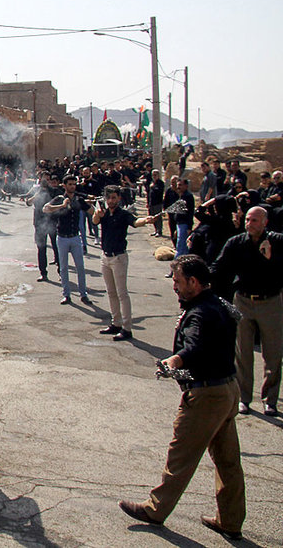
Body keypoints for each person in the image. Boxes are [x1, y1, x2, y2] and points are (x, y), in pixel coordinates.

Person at [118, 255, 245, 541]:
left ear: (194, 282)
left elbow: (195, 346)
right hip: (226, 391)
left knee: (181, 456)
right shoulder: (217, 303)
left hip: (206, 395)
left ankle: (155, 509)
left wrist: (173, 361)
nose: (174, 286)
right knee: (228, 461)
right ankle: (231, 520)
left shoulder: (200, 313)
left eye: (177, 281)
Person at [211, 206, 282, 416]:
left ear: (265, 223)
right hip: (243, 301)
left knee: (273, 354)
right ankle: (244, 398)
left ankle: (270, 400)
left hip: (270, 303)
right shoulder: (236, 242)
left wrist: (272, 258)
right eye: (248, 220)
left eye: (254, 221)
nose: (249, 224)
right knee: (242, 352)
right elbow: (219, 266)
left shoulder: (277, 241)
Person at [92, 186, 157, 341]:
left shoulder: (123, 214)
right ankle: (116, 323)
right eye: (109, 198)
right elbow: (95, 221)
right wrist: (97, 213)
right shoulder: (104, 213)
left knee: (122, 294)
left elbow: (135, 222)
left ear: (119, 198)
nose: (111, 201)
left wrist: (146, 220)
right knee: (111, 292)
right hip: (105, 257)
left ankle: (127, 328)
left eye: (114, 198)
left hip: (119, 258)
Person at [43, 174, 92, 305]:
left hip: (75, 237)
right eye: (70, 184)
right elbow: (46, 208)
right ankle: (66, 294)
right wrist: (61, 206)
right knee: (63, 267)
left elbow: (92, 211)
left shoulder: (78, 200)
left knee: (80, 267)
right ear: (64, 186)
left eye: (74, 184)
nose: (72, 186)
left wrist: (97, 208)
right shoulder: (59, 199)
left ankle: (83, 294)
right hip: (62, 238)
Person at [147, 169, 166, 237]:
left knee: (158, 217)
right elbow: (149, 193)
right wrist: (148, 202)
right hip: (151, 202)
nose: (154, 176)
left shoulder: (160, 183)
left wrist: (153, 187)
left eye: (155, 175)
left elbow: (159, 191)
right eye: (153, 175)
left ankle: (159, 231)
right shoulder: (152, 182)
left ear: (158, 175)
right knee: (152, 217)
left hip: (157, 203)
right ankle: (155, 230)